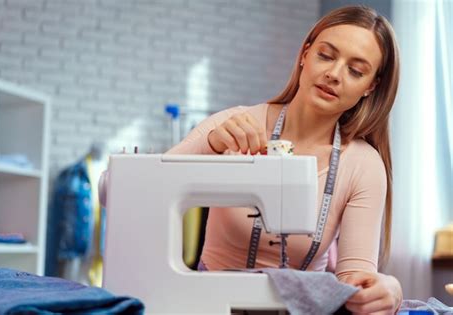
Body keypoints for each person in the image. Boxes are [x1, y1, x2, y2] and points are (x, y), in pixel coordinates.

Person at [167, 5, 402, 314]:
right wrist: (210, 146)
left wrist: (389, 290)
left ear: (370, 86)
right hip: (209, 305)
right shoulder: (232, 126)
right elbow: (136, 192)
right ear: (305, 54)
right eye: (326, 56)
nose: (333, 74)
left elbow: (355, 281)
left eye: (356, 71)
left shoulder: (363, 165)